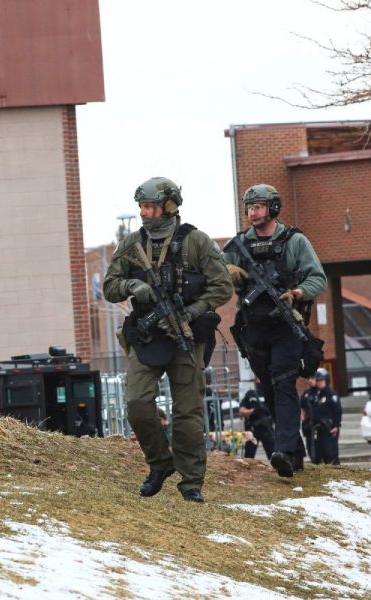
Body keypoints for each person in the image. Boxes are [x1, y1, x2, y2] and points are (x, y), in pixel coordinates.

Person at [104, 176, 233, 503]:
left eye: (149, 206)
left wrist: (191, 312)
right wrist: (133, 287)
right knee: (137, 403)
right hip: (147, 335)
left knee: (187, 413)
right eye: (141, 207)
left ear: (169, 206)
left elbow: (222, 287)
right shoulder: (131, 244)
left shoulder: (197, 242)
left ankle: (191, 483)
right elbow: (110, 286)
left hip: (187, 336)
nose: (144, 213)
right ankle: (160, 463)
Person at [223, 184, 327, 477]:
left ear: (273, 208)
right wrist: (228, 273)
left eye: (257, 207)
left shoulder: (294, 241)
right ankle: (294, 453)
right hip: (253, 330)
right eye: (249, 208)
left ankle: (281, 451)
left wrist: (297, 292)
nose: (252, 213)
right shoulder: (238, 245)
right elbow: (214, 274)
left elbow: (318, 279)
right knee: (268, 388)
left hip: (285, 327)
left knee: (283, 384)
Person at [309, 368, 342, 465]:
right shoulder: (316, 395)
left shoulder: (331, 394)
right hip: (318, 429)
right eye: (318, 380)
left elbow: (337, 411)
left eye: (321, 380)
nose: (319, 383)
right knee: (318, 454)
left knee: (330, 454)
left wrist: (336, 426)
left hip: (329, 429)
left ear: (326, 381)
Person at [238, 378, 275, 459]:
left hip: (267, 428)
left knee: (273, 456)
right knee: (249, 457)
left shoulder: (270, 393)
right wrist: (253, 411)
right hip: (252, 429)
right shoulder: (251, 394)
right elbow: (241, 411)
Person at [299, 375, 318, 462]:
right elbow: (301, 407)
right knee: (310, 444)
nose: (310, 381)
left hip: (318, 423)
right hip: (308, 423)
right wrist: (303, 417)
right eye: (309, 378)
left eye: (313, 379)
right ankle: (313, 459)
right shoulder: (306, 393)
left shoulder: (321, 392)